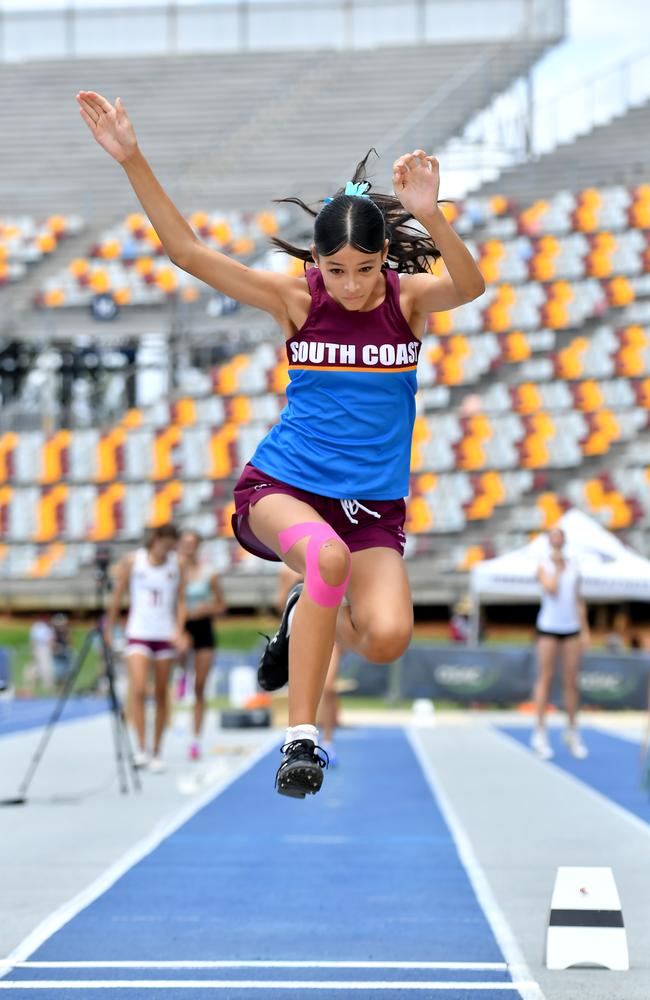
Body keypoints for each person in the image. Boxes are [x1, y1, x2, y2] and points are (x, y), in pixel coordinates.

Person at [77, 90, 484, 796]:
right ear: (316, 265)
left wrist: (432, 215)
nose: (352, 286)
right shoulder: (296, 301)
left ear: (386, 256)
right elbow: (186, 252)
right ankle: (301, 740)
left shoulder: (407, 300)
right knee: (322, 557)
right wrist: (132, 158)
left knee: (387, 638)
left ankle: (303, 614)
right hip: (284, 489)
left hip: (374, 509)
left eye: (365, 269)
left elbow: (472, 285)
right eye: (337, 271)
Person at [104, 523, 186, 772]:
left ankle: (157, 749)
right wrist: (110, 627)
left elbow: (181, 600)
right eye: (165, 543)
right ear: (156, 540)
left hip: (164, 632)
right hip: (138, 632)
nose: (168, 549)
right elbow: (118, 596)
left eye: (172, 545)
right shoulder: (134, 561)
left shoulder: (176, 565)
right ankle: (141, 747)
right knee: (138, 689)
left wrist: (179, 629)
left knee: (161, 693)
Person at [531, 527, 590, 761]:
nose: (557, 539)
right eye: (553, 535)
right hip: (548, 629)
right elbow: (552, 589)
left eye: (560, 535)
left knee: (571, 681)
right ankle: (540, 732)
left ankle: (572, 731)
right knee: (545, 678)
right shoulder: (543, 564)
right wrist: (557, 568)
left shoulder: (574, 565)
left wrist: (585, 630)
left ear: (564, 540)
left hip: (571, 629)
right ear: (549, 540)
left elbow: (578, 599)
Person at [274, 565, 341, 765]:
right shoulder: (287, 570)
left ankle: (328, 741)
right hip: (301, 633)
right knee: (300, 688)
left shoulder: (331, 559)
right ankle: (298, 741)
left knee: (328, 687)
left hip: (331, 633)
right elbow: (280, 605)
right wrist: (295, 587)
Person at [178, 529, 226, 761]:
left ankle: (195, 740)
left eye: (192, 544)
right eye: (184, 544)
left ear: (197, 547)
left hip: (203, 627)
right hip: (181, 628)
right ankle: (181, 673)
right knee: (180, 649)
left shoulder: (209, 573)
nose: (188, 548)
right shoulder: (174, 572)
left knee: (200, 688)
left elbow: (221, 605)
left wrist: (206, 608)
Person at [27, 617, 54, 693]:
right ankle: (34, 683)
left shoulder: (47, 627)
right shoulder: (38, 627)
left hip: (45, 648)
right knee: (41, 666)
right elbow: (33, 639)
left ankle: (46, 684)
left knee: (43, 667)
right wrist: (32, 649)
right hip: (39, 648)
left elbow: (50, 639)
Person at [51, 614, 72, 692]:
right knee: (59, 674)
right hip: (57, 655)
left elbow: (70, 642)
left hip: (65, 654)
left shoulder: (66, 631)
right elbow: (52, 644)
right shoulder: (54, 632)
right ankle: (59, 690)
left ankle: (65, 690)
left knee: (67, 673)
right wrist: (57, 647)